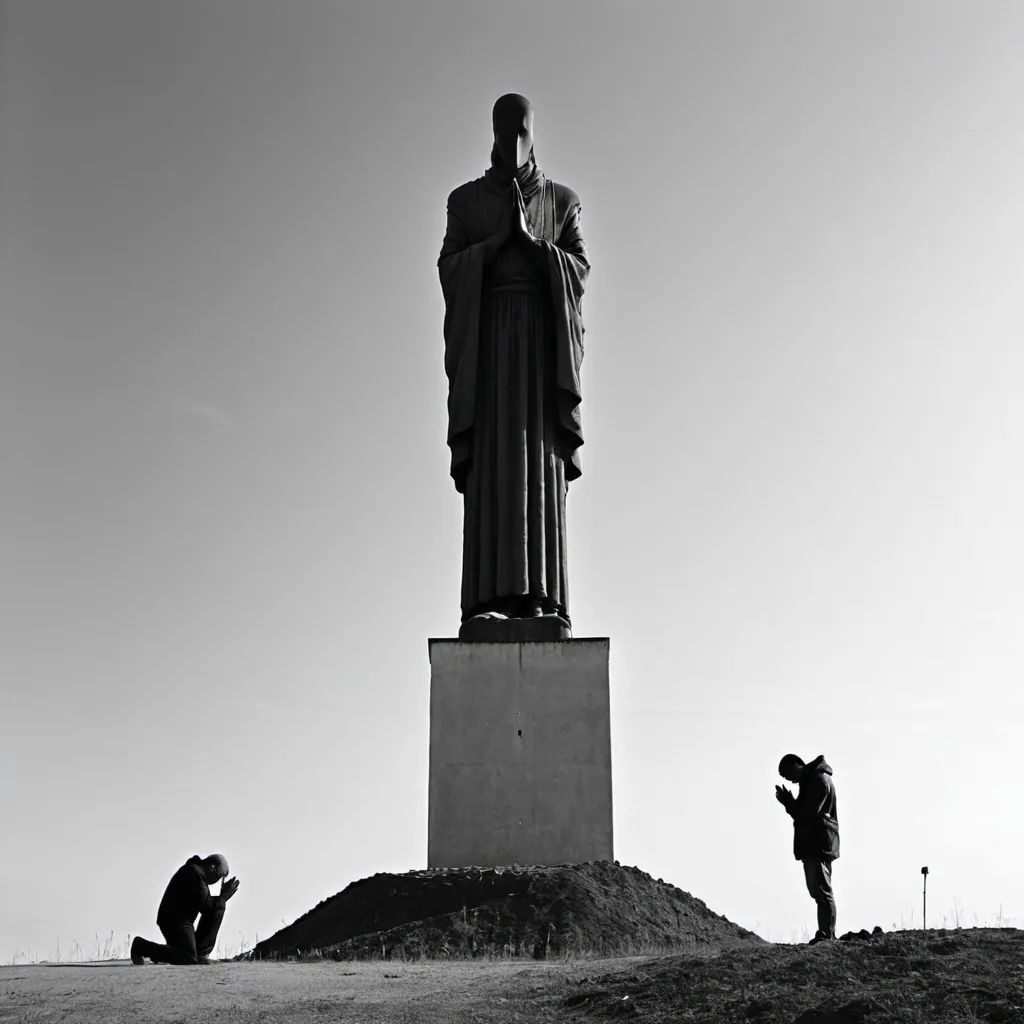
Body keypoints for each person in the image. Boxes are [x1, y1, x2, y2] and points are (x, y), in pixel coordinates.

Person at [438, 93, 590, 629]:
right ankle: (487, 600)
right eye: (505, 130)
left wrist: (533, 248)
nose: (512, 141)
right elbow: (449, 268)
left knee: (539, 464)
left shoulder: (562, 200)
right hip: (488, 352)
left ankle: (543, 599)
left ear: (532, 133)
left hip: (541, 354)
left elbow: (580, 270)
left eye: (520, 129)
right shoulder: (467, 201)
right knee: (496, 466)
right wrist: (497, 242)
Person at [775, 754, 840, 943]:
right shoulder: (811, 781)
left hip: (818, 843)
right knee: (818, 891)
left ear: (798, 765)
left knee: (822, 890)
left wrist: (790, 804)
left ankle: (828, 935)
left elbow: (809, 815)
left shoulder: (818, 781)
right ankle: (826, 934)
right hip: (815, 843)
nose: (790, 780)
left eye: (789, 774)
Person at [130, 853, 240, 965]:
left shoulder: (198, 872)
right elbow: (207, 908)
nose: (217, 881)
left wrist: (222, 899)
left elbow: (209, 908)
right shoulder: (195, 873)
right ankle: (141, 946)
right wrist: (223, 897)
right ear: (211, 868)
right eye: (218, 876)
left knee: (219, 906)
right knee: (188, 957)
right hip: (173, 921)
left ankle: (199, 953)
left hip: (183, 922)